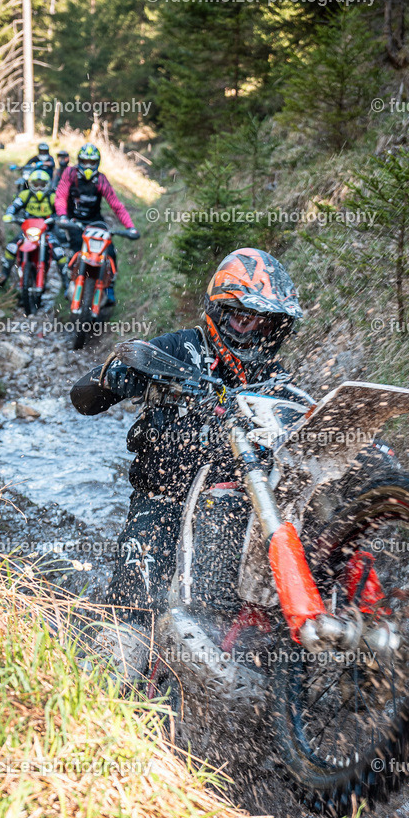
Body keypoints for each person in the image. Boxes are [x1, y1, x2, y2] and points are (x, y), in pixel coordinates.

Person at [70, 248, 302, 635]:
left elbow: (302, 428)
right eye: (243, 318)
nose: (252, 330)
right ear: (221, 313)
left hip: (241, 509)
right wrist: (119, 372)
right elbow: (82, 398)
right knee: (132, 620)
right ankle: (117, 676)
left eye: (264, 323)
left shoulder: (275, 378)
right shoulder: (182, 348)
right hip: (165, 500)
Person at [55, 143, 139, 306]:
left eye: (91, 162)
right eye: (84, 161)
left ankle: (109, 288)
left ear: (97, 163)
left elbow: (116, 205)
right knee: (76, 250)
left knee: (109, 251)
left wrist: (130, 227)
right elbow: (61, 196)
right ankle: (70, 283)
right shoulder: (70, 174)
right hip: (73, 222)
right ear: (79, 160)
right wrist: (63, 216)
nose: (87, 165)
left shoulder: (101, 180)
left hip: (95, 222)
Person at [0, 169, 69, 290]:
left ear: (48, 184)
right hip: (27, 231)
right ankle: (3, 274)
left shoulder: (52, 197)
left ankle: (66, 281)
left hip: (46, 231)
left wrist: (61, 218)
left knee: (59, 252)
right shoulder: (25, 195)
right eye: (36, 184)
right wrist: (10, 214)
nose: (39, 188)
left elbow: (60, 208)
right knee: (11, 247)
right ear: (30, 184)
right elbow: (14, 206)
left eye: (42, 185)